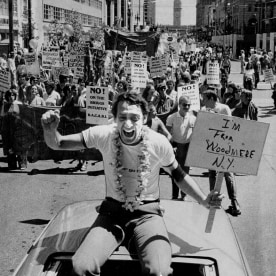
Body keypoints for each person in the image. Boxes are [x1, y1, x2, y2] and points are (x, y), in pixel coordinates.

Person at [41, 91, 224, 276]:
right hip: (111, 215)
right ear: (114, 119)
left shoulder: (158, 142)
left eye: (134, 118)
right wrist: (50, 130)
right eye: (122, 117)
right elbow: (59, 143)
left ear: (144, 119)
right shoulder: (103, 134)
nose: (128, 123)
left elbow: (178, 175)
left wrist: (204, 200)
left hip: (147, 214)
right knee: (81, 267)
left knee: (159, 270)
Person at [201, 90, 241, 216]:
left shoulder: (224, 108)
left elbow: (230, 126)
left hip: (223, 145)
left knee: (227, 173)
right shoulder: (204, 109)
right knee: (212, 173)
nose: (203, 101)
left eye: (205, 98)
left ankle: (234, 202)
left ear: (211, 98)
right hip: (210, 144)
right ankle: (214, 200)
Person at [166, 96, 196, 201]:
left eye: (188, 105)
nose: (186, 107)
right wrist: (172, 146)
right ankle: (174, 195)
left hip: (187, 147)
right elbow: (167, 134)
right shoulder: (171, 117)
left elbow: (195, 134)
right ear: (179, 105)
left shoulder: (193, 118)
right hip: (175, 147)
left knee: (185, 173)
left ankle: (184, 194)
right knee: (174, 172)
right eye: (184, 105)